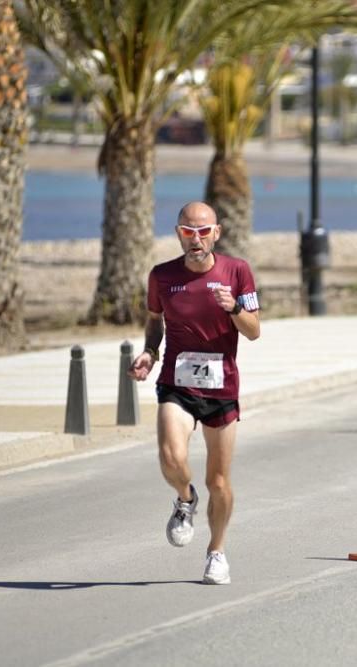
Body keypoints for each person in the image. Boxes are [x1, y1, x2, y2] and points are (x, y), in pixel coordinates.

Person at [129, 201, 261, 585]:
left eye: (204, 232)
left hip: (222, 387)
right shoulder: (162, 276)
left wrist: (233, 307)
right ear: (178, 234)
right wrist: (150, 353)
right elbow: (155, 323)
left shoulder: (237, 271)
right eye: (189, 232)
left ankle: (216, 551)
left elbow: (253, 331)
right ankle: (185, 499)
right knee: (171, 457)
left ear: (216, 233)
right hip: (177, 382)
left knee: (218, 481)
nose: (196, 239)